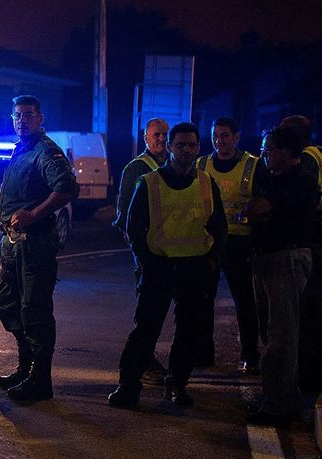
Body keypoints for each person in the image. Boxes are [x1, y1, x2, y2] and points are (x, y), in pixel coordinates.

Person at [107, 122, 228, 409]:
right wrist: (148, 262)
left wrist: (211, 262)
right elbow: (134, 227)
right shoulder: (149, 183)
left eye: (191, 145)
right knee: (146, 329)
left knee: (189, 330)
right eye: (180, 145)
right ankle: (128, 385)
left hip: (194, 268)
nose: (186, 150)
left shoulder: (206, 183)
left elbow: (218, 227)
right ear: (170, 148)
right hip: (159, 267)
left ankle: (177, 384)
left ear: (198, 148)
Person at [0, 95, 79, 402]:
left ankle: (40, 379)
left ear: (40, 118)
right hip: (13, 244)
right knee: (9, 305)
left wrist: (34, 214)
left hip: (35, 243)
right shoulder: (22, 148)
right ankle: (26, 367)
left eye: (28, 115)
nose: (21, 120)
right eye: (17, 115)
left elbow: (67, 188)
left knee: (35, 310)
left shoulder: (46, 151)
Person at [244, 125, 320, 426]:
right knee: (270, 332)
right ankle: (277, 396)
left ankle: (281, 404)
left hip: (286, 259)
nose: (264, 154)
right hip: (266, 258)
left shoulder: (299, 181)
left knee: (281, 336)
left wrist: (258, 209)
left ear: (288, 151)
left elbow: (257, 207)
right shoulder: (271, 177)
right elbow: (252, 210)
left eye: (270, 148)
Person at [197, 117, 261, 373]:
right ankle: (203, 353)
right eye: (215, 136)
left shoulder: (253, 165)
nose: (219, 141)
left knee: (245, 302)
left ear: (237, 137)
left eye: (224, 135)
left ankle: (250, 354)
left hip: (240, 242)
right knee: (203, 300)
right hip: (209, 242)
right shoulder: (202, 164)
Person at [281, 114, 322, 393]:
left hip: (311, 241)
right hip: (319, 239)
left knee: (307, 309)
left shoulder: (306, 160)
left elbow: (302, 199)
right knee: (311, 308)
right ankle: (310, 371)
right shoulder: (318, 154)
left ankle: (310, 372)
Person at [115, 117, 172, 378]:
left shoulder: (173, 167)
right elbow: (124, 215)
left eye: (165, 134)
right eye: (157, 135)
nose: (162, 139)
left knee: (165, 309)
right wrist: (140, 249)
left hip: (174, 251)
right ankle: (141, 361)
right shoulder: (137, 169)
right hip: (149, 253)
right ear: (146, 139)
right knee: (149, 309)